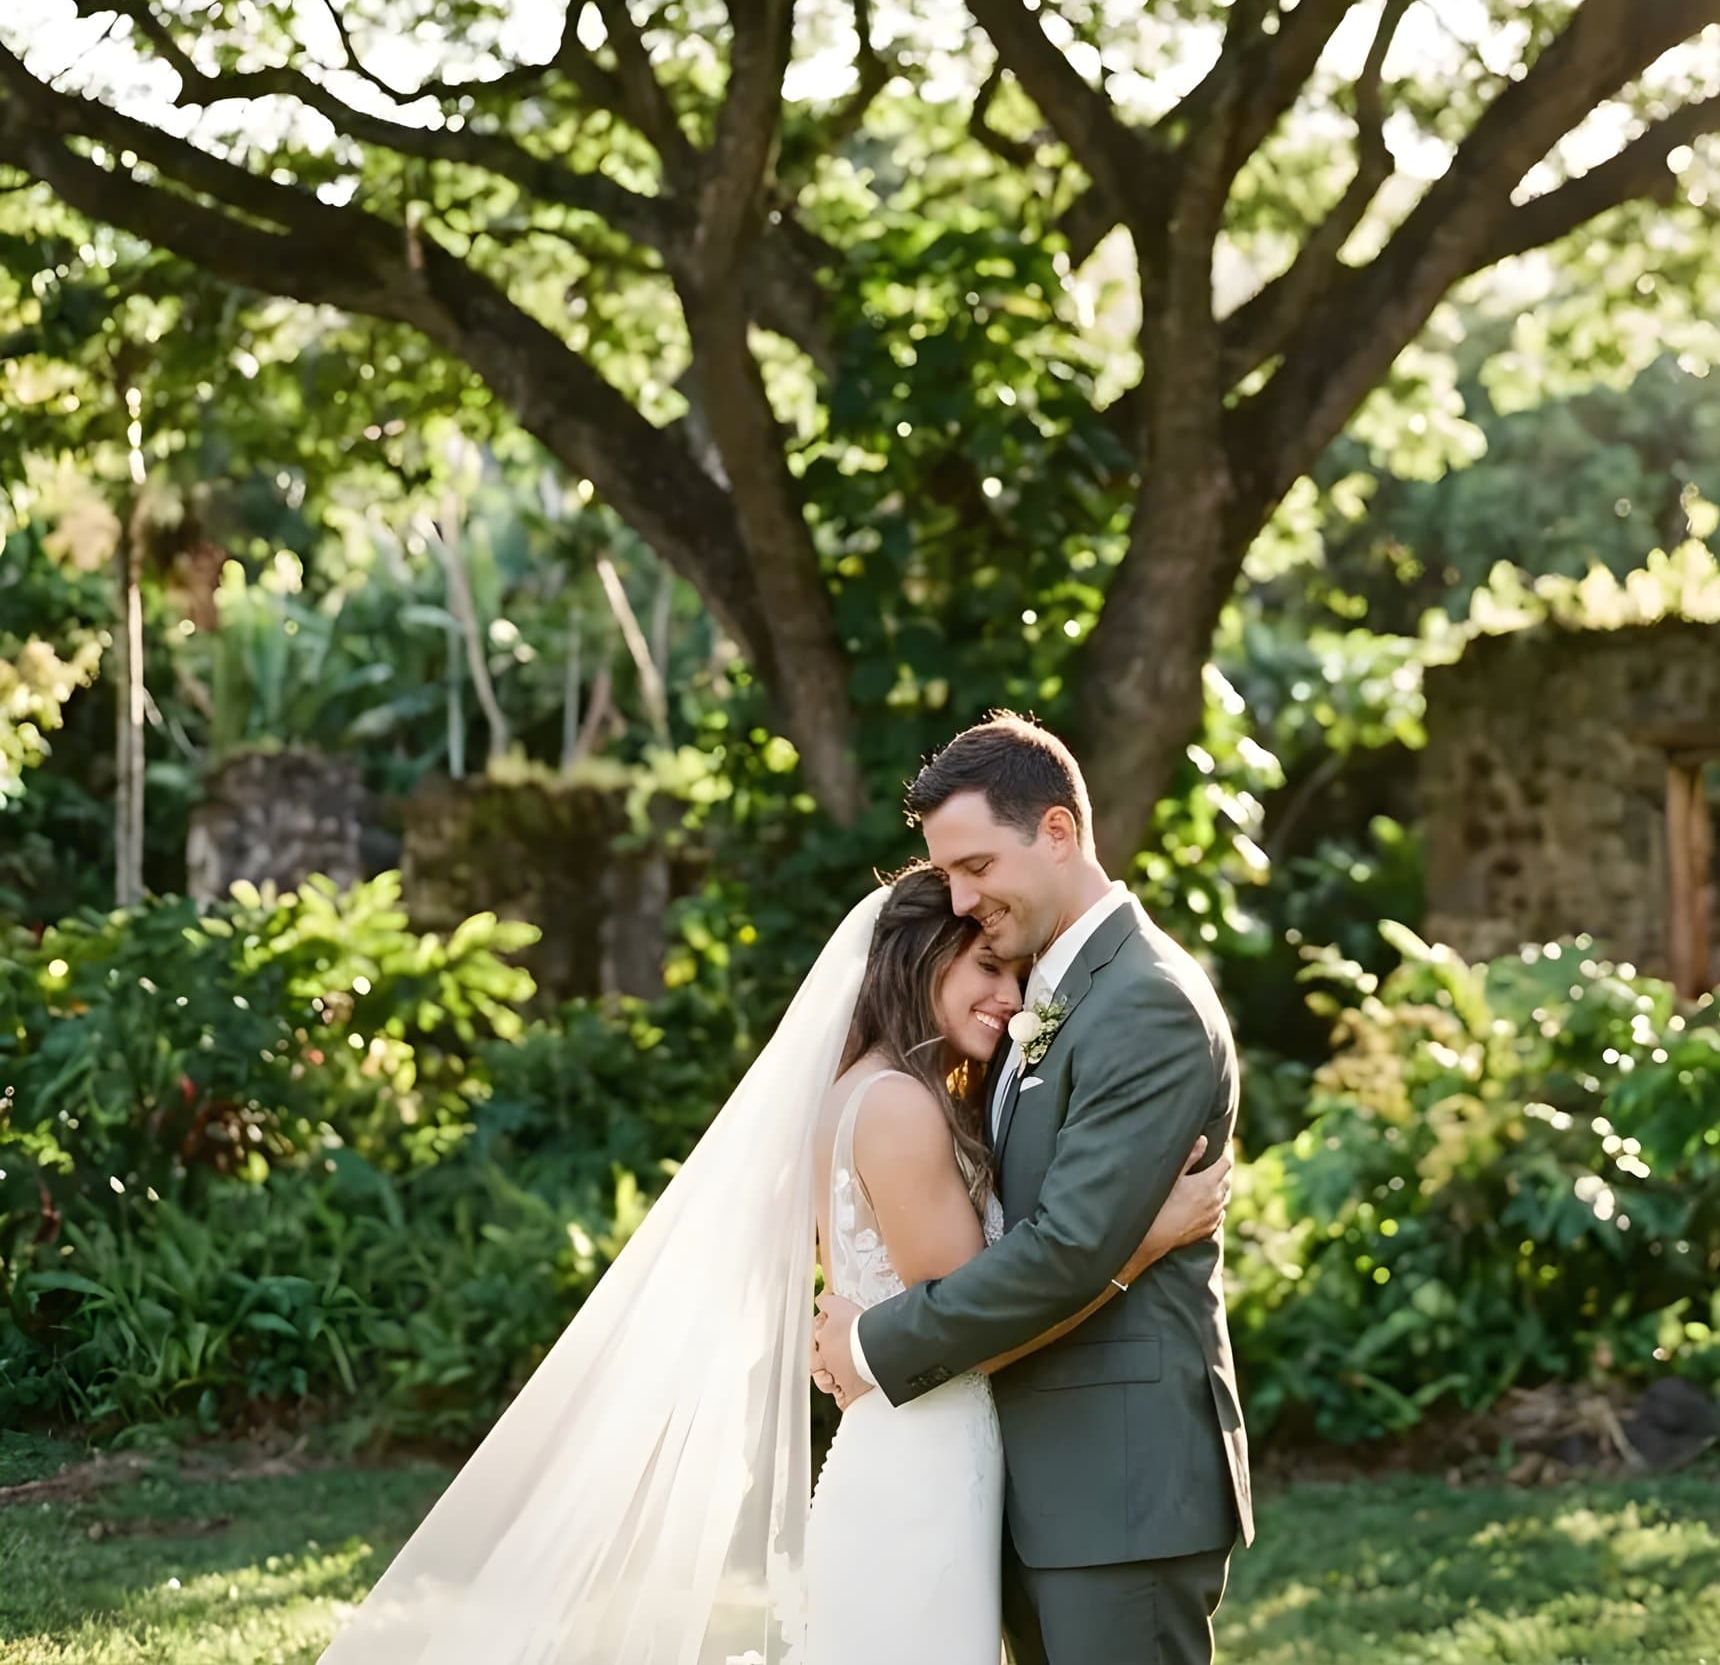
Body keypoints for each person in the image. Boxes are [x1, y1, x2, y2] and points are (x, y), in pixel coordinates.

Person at [314, 815, 1225, 1665]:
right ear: (916, 963)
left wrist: (868, 1342)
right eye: (982, 966)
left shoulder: (895, 1089)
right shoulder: (900, 1105)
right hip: (925, 1465)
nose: (1007, 992)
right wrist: (1133, 1250)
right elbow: (975, 1322)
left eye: (1009, 969)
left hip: (939, 1457)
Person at [811, 713, 1255, 1665]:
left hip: (1119, 1489)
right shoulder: (1051, 995)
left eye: (976, 866)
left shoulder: (1145, 1000)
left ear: (1057, 831)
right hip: (1034, 1485)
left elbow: (1063, 1250)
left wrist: (871, 1343)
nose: (962, 899)